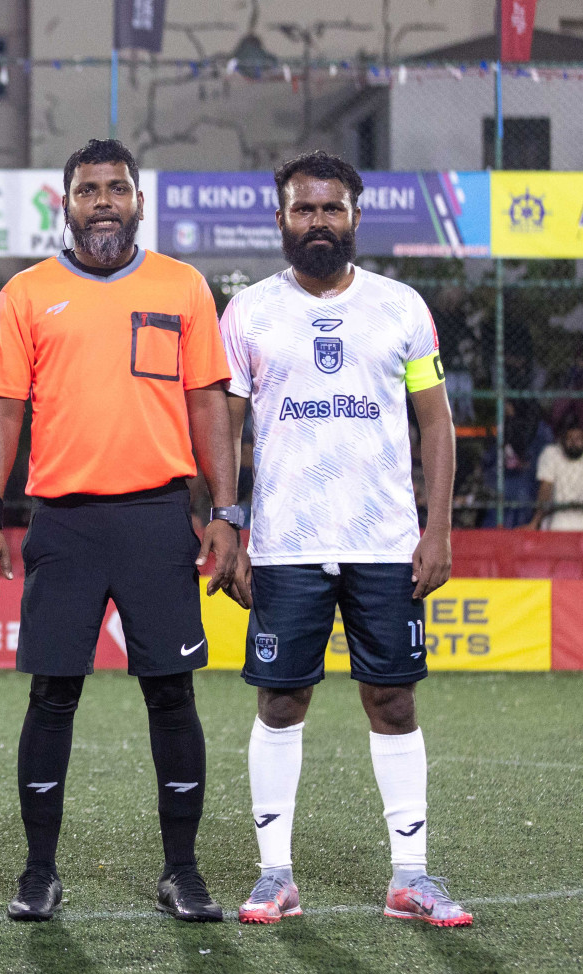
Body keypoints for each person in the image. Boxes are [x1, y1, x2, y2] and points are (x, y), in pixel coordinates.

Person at [0, 138, 238, 924]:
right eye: (88, 190)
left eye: (117, 188)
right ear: (66, 203)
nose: (103, 202)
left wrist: (226, 511)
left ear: (139, 203)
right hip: (65, 521)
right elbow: (3, 412)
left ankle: (182, 871)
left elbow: (206, 404)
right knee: (52, 694)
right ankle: (39, 871)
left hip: (159, 517)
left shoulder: (182, 286)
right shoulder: (25, 294)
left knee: (171, 694)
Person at [220, 150, 470, 927]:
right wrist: (229, 526)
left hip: (386, 542)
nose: (318, 221)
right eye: (304, 209)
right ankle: (275, 876)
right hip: (286, 541)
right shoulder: (249, 312)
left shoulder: (400, 306)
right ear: (281, 219)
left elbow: (436, 422)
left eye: (331, 209)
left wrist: (437, 528)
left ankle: (411, 877)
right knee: (282, 699)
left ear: (356, 217)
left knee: (393, 700)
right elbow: (224, 428)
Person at [529, 423, 583, 530]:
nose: (573, 443)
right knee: (557, 523)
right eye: (569, 438)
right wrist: (535, 521)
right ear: (562, 440)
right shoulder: (551, 453)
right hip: (558, 519)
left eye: (578, 439)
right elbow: (546, 488)